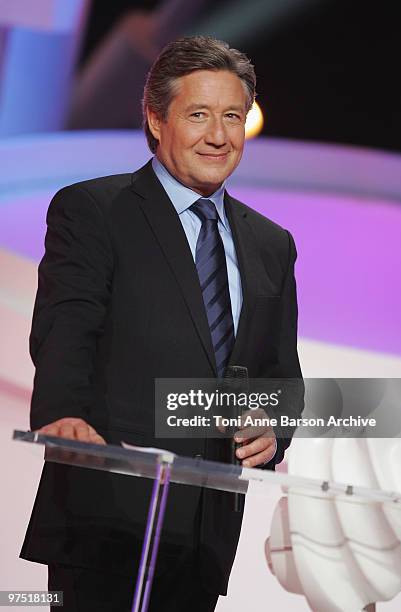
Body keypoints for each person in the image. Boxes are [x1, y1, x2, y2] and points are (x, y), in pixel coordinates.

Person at [20, 36, 302, 612]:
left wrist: (271, 428)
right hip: (105, 513)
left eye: (232, 117)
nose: (219, 136)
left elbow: (281, 374)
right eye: (198, 115)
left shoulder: (271, 244)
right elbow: (66, 325)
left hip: (205, 530)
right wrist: (63, 414)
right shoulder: (96, 209)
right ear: (154, 118)